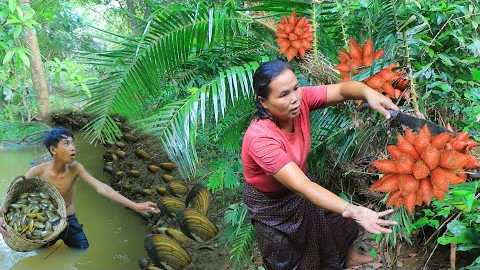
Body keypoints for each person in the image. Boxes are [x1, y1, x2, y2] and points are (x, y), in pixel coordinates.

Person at [241, 59, 399, 269]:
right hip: (271, 203)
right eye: (283, 95)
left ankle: (350, 259)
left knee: (335, 222)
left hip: (301, 183)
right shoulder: (261, 138)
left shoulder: (301, 101)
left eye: (296, 88)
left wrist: (368, 92)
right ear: (263, 102)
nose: (295, 98)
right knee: (285, 256)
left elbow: (342, 90)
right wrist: (354, 210)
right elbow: (303, 187)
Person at [0, 127, 159, 249]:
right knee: (40, 252)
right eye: (66, 144)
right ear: (53, 150)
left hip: (69, 220)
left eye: (73, 143)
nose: (73, 148)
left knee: (83, 249)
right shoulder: (37, 171)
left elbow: (102, 188)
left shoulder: (76, 168)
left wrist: (136, 206)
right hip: (45, 222)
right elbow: (13, 194)